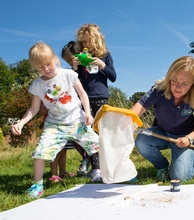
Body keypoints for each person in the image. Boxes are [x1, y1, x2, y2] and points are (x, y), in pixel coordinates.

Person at [11, 42, 100, 199]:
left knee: (100, 145)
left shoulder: (68, 74)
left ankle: (114, 172)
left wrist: (88, 113)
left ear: (54, 59)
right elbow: (34, 108)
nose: (45, 69)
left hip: (77, 122)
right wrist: (21, 122)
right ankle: (37, 186)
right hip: (54, 126)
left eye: (48, 64)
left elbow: (83, 94)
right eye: (40, 67)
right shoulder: (37, 84)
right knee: (39, 153)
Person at [131, 56, 194, 182]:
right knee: (142, 140)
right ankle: (162, 166)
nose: (178, 87)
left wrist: (189, 138)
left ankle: (190, 162)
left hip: (183, 137)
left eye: (185, 84)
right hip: (161, 133)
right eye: (174, 80)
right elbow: (135, 112)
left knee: (179, 177)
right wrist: (121, 125)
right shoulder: (158, 90)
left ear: (193, 83)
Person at [72, 24, 117, 178]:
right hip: (83, 98)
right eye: (83, 42)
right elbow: (73, 80)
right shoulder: (79, 57)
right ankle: (95, 166)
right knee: (86, 132)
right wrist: (74, 67)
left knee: (102, 132)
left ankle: (105, 164)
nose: (86, 44)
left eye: (89, 41)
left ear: (97, 39)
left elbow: (113, 77)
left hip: (101, 97)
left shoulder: (105, 55)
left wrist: (102, 65)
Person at [61, 41, 91, 176]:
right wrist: (73, 67)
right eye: (66, 60)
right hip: (77, 107)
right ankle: (86, 157)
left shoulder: (88, 64)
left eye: (70, 58)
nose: (69, 61)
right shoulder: (70, 71)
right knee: (75, 136)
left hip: (91, 101)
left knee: (91, 135)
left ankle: (92, 161)